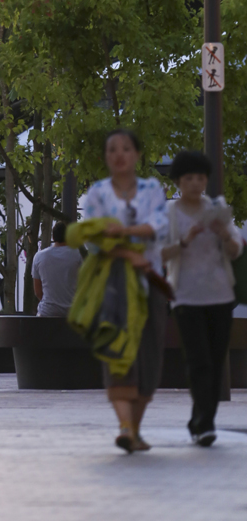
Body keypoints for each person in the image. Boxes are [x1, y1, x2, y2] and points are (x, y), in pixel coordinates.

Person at [84, 128, 168, 453]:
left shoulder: (153, 189)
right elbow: (95, 238)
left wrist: (124, 231)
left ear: (136, 154)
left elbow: (158, 226)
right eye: (112, 149)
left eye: (126, 148)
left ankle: (135, 428)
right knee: (117, 354)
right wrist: (126, 251)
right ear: (106, 157)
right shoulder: (97, 194)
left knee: (149, 356)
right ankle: (124, 426)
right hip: (113, 286)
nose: (119, 154)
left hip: (150, 285)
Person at [162, 149, 243, 447]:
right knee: (199, 361)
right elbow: (159, 252)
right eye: (189, 178)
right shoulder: (170, 214)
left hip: (220, 295)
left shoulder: (217, 210)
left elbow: (235, 251)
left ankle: (200, 419)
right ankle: (205, 424)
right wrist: (185, 240)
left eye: (200, 178)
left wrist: (225, 235)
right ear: (178, 182)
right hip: (186, 297)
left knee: (215, 358)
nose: (195, 183)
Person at [32, 221, 82, 318]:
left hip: (47, 312)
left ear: (53, 237)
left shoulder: (39, 257)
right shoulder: (76, 255)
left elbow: (38, 292)